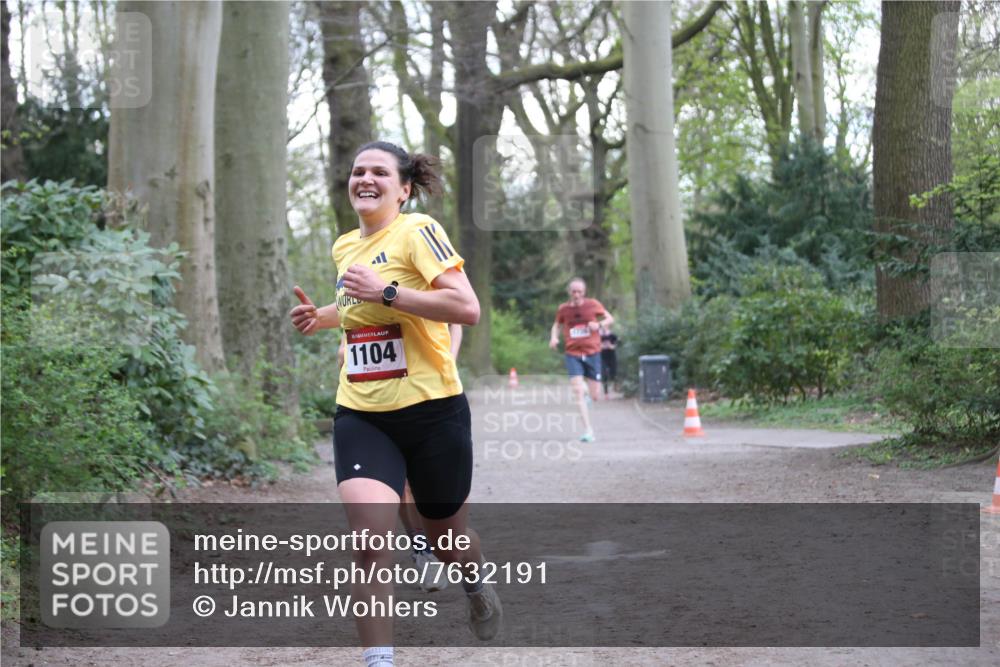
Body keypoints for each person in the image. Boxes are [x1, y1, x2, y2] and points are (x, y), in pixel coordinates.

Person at [290, 141, 501, 667]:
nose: (365, 178)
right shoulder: (344, 247)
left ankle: (475, 585)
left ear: (404, 190)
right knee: (368, 542)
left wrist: (386, 293)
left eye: (379, 172)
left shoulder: (417, 231)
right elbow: (358, 305)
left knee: (449, 540)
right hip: (362, 413)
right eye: (358, 170)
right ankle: (378, 661)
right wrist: (322, 316)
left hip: (432, 413)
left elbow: (465, 307)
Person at [339, 324, 463, 594]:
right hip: (375, 400)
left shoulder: (429, 280)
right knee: (400, 484)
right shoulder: (351, 282)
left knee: (442, 522)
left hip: (427, 397)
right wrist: (343, 342)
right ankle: (422, 551)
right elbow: (347, 313)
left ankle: (465, 567)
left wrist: (448, 360)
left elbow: (457, 320)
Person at [549, 277, 614, 442]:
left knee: (594, 395)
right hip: (573, 353)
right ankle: (588, 430)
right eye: (573, 291)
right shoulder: (563, 309)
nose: (576, 294)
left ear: (584, 293)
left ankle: (587, 394)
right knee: (577, 391)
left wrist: (598, 325)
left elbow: (609, 318)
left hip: (593, 352)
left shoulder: (593, 304)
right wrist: (554, 338)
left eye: (579, 292)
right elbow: (557, 325)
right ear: (569, 292)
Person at [599, 323, 619, 398]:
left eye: (605, 326)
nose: (604, 328)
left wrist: (612, 346)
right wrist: (600, 347)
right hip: (602, 357)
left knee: (613, 373)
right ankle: (606, 393)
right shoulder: (598, 336)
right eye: (603, 326)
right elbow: (595, 345)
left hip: (612, 357)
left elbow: (618, 343)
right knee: (604, 374)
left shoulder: (612, 335)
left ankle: (615, 384)